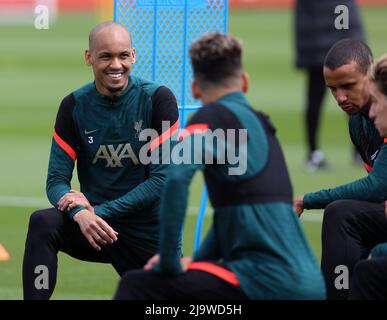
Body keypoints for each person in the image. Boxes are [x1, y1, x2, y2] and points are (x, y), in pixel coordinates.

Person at [114, 32, 326, 300]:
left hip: (263, 283)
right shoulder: (263, 126)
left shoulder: (208, 119)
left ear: (195, 89)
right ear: (245, 83)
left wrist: (168, 262)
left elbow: (176, 178)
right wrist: (196, 262)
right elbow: (232, 218)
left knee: (138, 286)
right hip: (309, 286)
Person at [22, 21, 179, 299]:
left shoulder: (158, 99)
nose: (115, 65)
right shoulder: (73, 105)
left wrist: (97, 212)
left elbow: (162, 180)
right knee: (43, 223)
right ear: (89, 57)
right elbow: (56, 180)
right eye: (105, 56)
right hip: (92, 228)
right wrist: (79, 214)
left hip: (148, 233)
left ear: (134, 55)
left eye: (123, 55)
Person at [294, 39, 387, 300]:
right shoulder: (357, 123)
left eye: (348, 86)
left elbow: (376, 186)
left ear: (370, 76)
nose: (340, 97)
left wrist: (307, 200)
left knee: (342, 213)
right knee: (348, 219)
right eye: (332, 89)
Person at [295, 0, 365, 171]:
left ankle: (314, 153)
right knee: (351, 93)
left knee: (318, 98)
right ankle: (359, 149)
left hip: (318, 41)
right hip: (337, 39)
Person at [349, 55, 387, 300]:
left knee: (368, 272)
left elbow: (375, 187)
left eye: (376, 102)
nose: (370, 113)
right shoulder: (358, 126)